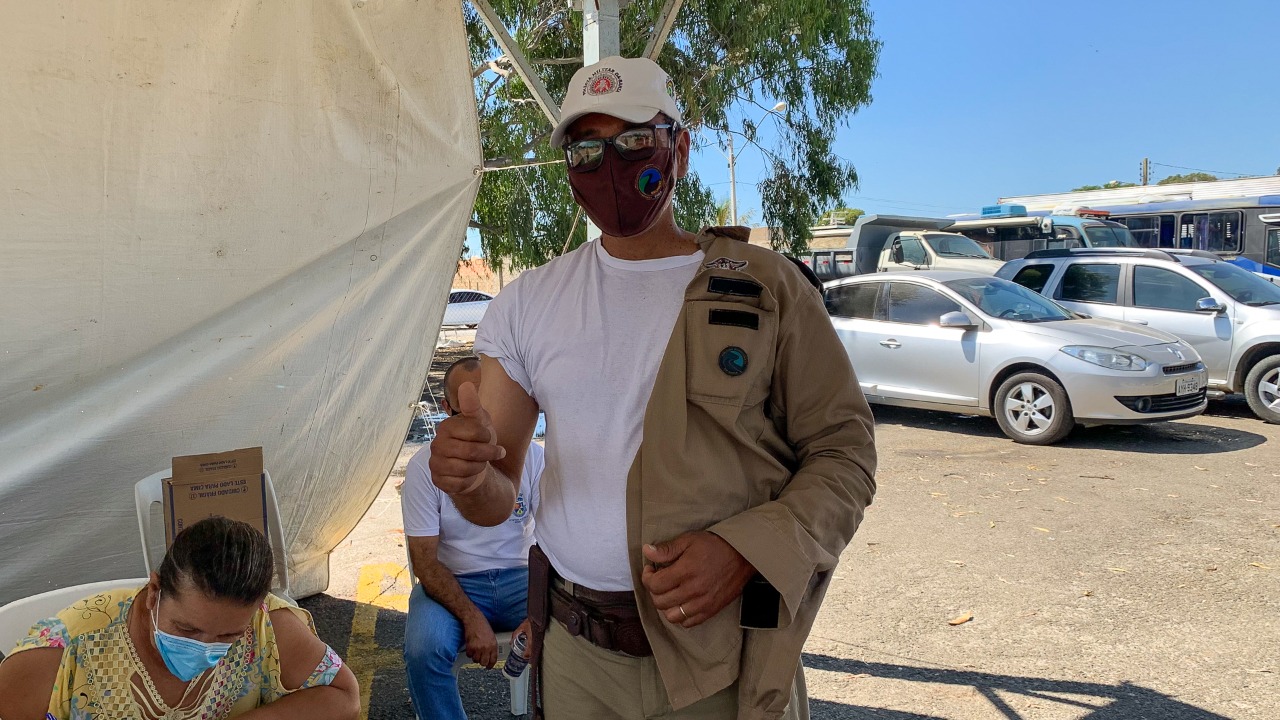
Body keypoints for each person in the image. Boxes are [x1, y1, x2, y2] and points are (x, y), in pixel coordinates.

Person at [429, 55, 877, 720]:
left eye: (635, 140)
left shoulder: (766, 288)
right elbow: (499, 494)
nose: (610, 166)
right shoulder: (528, 304)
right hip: (578, 658)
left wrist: (747, 550)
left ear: (681, 149)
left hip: (720, 655)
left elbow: (845, 455)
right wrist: (467, 478)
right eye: (586, 149)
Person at [0, 516, 360, 720]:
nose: (204, 648)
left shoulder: (267, 627)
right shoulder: (68, 649)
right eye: (187, 628)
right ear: (154, 591)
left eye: (228, 636)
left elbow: (344, 697)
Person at [401, 356, 543, 720]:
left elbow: (554, 542)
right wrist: (471, 617)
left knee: (575, 632)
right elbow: (425, 562)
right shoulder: (424, 468)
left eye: (488, 402)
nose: (479, 417)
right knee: (424, 648)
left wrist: (539, 611)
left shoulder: (534, 459)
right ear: (446, 408)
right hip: (454, 584)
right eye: (464, 408)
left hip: (522, 580)